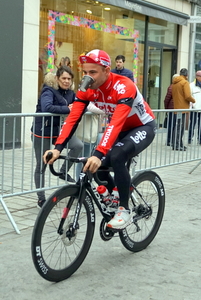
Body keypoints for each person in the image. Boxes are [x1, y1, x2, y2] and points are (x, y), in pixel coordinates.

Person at [43, 49, 156, 230]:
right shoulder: (88, 88)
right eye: (85, 72)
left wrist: (98, 152)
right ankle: (114, 196)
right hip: (119, 130)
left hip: (141, 127)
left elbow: (116, 123)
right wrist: (57, 148)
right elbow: (73, 118)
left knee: (117, 155)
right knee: (96, 168)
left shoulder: (123, 85)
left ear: (106, 70)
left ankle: (124, 209)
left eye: (93, 72)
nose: (88, 77)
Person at [31, 66, 83, 208]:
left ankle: (62, 172)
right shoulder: (48, 90)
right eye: (63, 78)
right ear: (57, 78)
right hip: (42, 132)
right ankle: (41, 198)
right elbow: (47, 107)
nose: (66, 81)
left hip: (60, 132)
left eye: (69, 79)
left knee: (78, 145)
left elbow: (78, 105)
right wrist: (68, 109)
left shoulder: (71, 93)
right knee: (41, 165)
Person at [171, 68, 195, 151]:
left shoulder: (175, 83)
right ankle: (178, 144)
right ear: (186, 75)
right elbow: (187, 96)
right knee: (180, 127)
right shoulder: (184, 83)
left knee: (177, 126)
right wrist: (194, 100)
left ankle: (176, 143)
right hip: (183, 108)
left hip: (177, 107)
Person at [164, 74, 179, 146]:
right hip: (173, 108)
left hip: (171, 108)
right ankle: (171, 140)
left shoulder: (171, 87)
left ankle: (169, 140)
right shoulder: (173, 87)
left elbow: (166, 99)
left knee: (171, 125)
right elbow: (167, 99)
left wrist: (166, 108)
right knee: (173, 125)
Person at [188, 70, 201, 145]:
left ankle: (200, 139)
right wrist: (192, 105)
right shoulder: (192, 85)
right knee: (192, 124)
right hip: (194, 108)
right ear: (197, 77)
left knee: (200, 125)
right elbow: (189, 96)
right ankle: (190, 138)